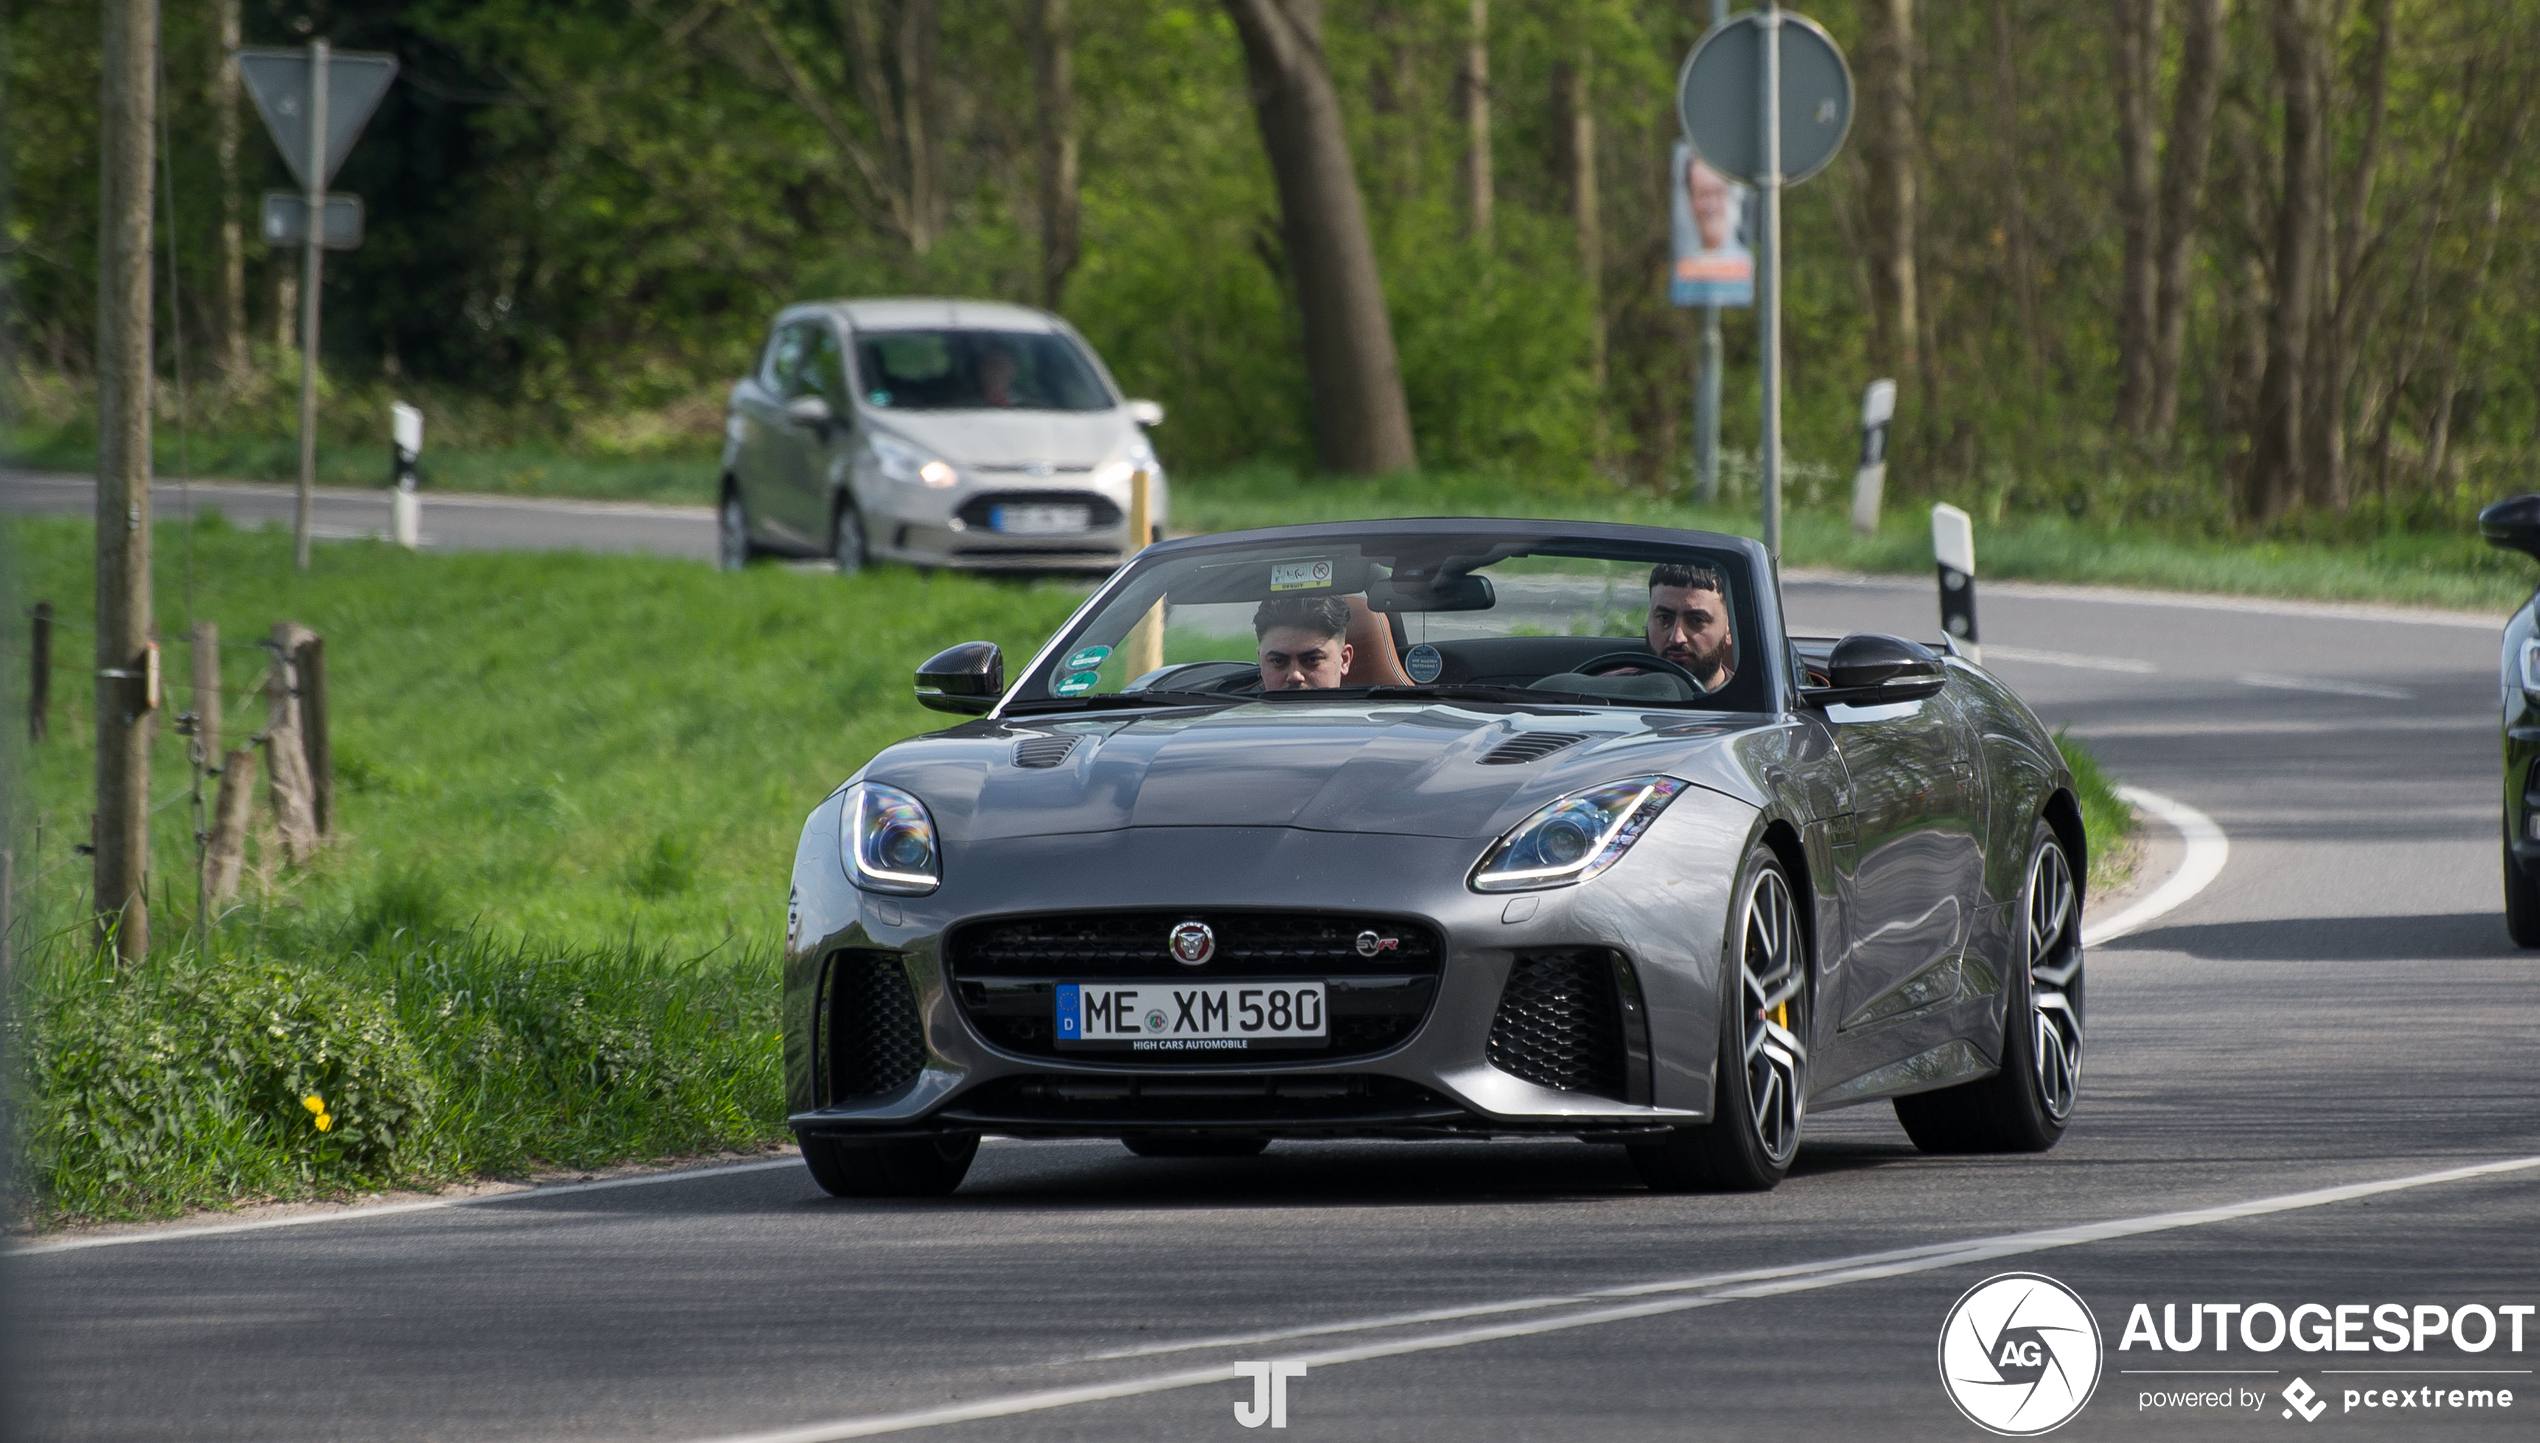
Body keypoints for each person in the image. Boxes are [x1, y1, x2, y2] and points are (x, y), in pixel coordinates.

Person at [1645, 562, 1735, 692]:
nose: (1677, 638)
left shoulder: (1752, 705)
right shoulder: (1613, 691)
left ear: (1729, 629)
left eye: (1697, 620)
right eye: (1664, 618)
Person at [1253, 595, 1353, 691]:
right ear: (1261, 661)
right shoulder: (1239, 706)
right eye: (1278, 661)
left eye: (1311, 660)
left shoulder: (1367, 707)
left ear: (1344, 660)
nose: (1295, 676)